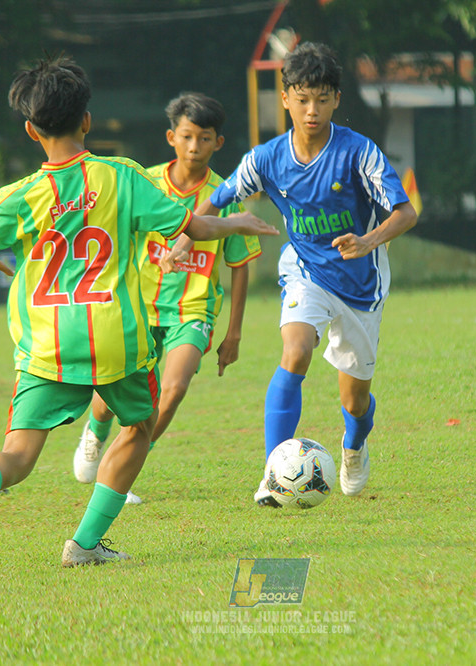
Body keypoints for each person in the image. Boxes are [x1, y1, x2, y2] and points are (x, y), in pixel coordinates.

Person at [0, 55, 277, 566]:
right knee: (140, 428)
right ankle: (83, 546)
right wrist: (238, 223)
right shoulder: (122, 177)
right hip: (115, 337)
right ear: (87, 121)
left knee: (18, 454)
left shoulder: (16, 197)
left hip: (47, 344)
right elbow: (193, 226)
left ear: (31, 130)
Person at [163, 42, 417, 506]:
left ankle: (354, 444)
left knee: (355, 400)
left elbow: (405, 213)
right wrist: (185, 239)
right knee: (296, 352)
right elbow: (217, 198)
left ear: (337, 99)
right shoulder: (267, 158)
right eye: (301, 99)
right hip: (305, 272)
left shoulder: (358, 152)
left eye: (321, 99)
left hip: (361, 284)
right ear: (285, 99)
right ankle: (273, 475)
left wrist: (367, 241)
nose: (311, 110)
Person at [72, 93, 262, 503]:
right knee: (110, 398)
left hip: (193, 311)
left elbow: (240, 264)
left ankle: (121, 474)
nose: (195, 147)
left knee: (172, 389)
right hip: (137, 307)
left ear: (218, 143)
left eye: (205, 138)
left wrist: (234, 334)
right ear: (171, 137)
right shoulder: (144, 183)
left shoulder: (226, 196)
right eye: (187, 136)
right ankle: (96, 430)